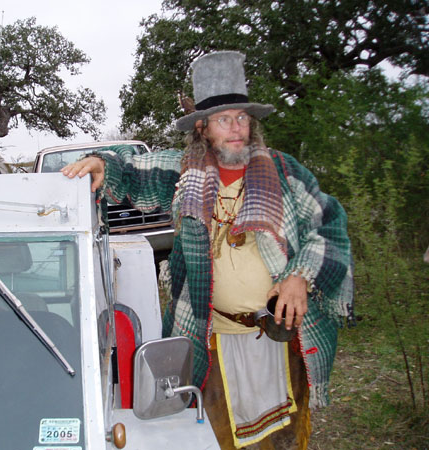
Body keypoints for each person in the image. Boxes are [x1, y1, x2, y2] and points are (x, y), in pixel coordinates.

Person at [62, 51, 354, 449]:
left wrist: (299, 277)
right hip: (211, 337)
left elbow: (330, 224)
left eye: (242, 117)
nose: (236, 128)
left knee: (282, 437)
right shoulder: (184, 173)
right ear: (202, 128)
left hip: (278, 337)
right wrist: (100, 163)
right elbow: (132, 168)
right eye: (223, 119)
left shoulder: (285, 173)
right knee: (212, 434)